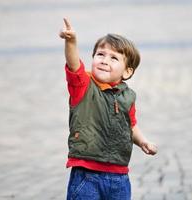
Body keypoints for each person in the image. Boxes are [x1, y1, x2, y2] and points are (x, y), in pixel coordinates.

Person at [59, 18, 157, 200]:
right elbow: (74, 65)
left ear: (127, 71)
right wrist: (71, 42)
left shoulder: (128, 96)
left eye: (114, 58)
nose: (105, 60)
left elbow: (131, 125)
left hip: (119, 177)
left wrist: (143, 141)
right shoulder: (83, 86)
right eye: (100, 54)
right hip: (87, 175)